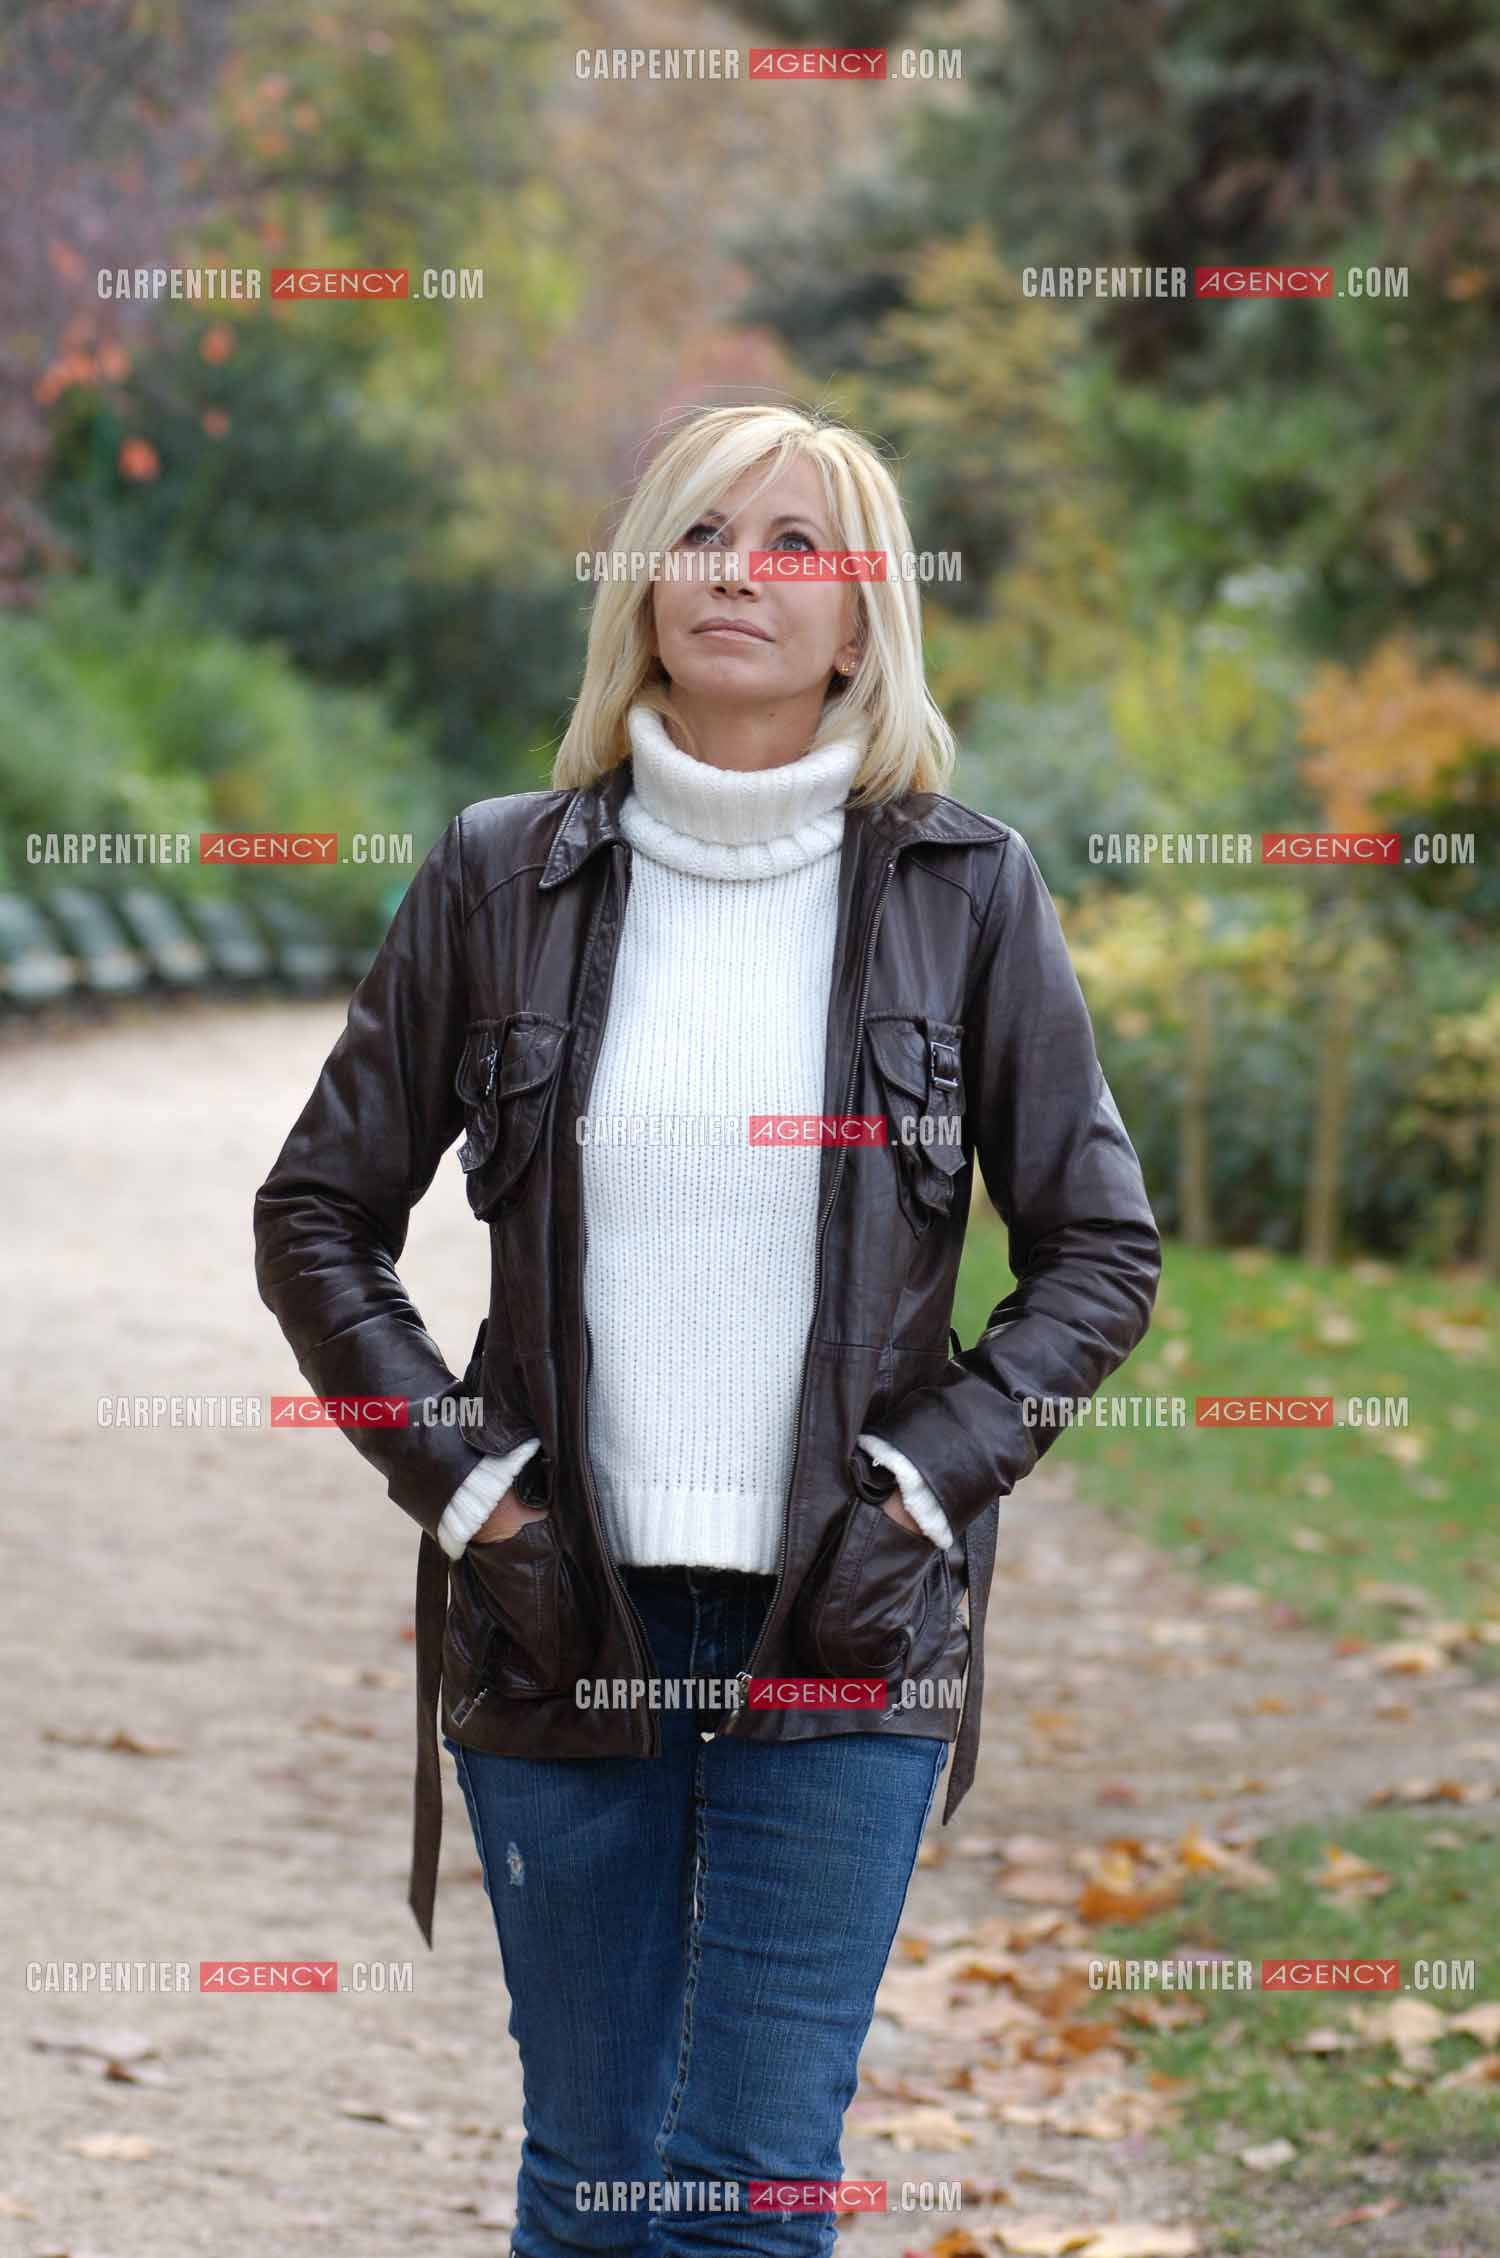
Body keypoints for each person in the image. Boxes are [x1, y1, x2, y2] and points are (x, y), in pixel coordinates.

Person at [253, 401, 1162, 2255]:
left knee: (751, 2189)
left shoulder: (965, 891)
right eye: (701, 533)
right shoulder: (501, 874)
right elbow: (318, 1214)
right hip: (554, 1608)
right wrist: (465, 1489)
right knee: (594, 2185)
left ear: (863, 623)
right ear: (644, 585)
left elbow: (1097, 1254)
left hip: (847, 1622)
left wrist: (923, 1483)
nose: (739, 572)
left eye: (797, 544)